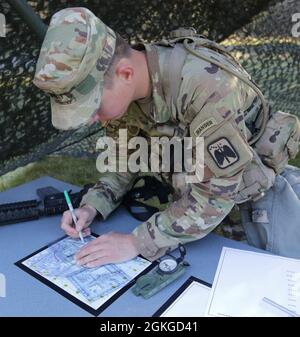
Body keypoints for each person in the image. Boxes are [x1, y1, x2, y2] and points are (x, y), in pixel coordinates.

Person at [33, 7, 300, 267]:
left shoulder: (207, 86)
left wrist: (136, 243)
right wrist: (92, 205)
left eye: (92, 107)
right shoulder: (128, 93)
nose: (90, 119)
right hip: (187, 217)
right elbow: (126, 160)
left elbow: (215, 196)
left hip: (251, 213)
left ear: (125, 74)